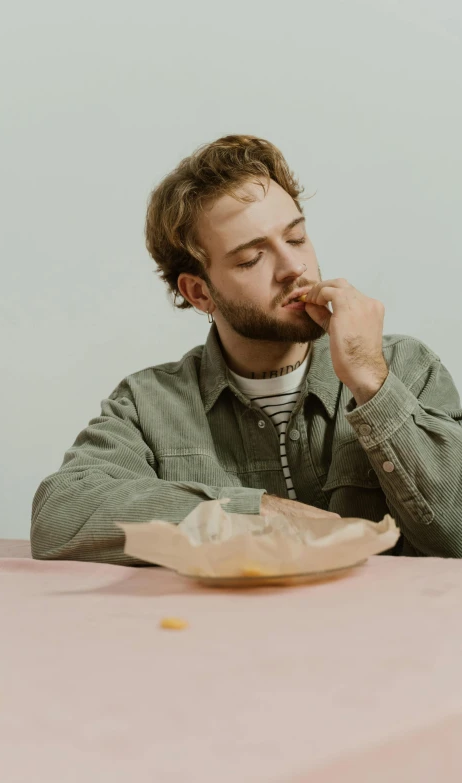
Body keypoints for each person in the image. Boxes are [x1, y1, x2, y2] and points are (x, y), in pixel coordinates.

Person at [31, 134, 462, 563]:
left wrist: (371, 382)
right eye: (251, 259)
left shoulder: (406, 367)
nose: (294, 268)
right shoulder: (148, 404)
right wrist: (259, 512)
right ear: (199, 293)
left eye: (296, 239)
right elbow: (60, 515)